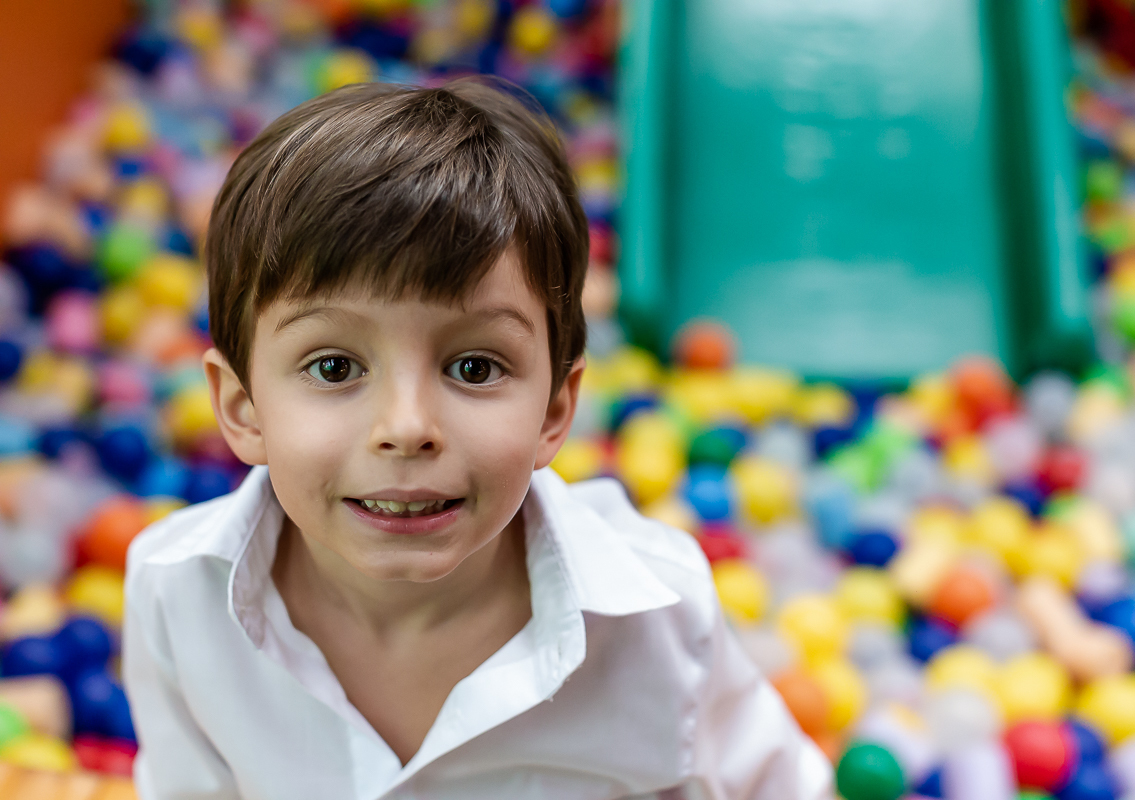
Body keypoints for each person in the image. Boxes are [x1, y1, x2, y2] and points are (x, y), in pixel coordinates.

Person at [122, 78, 834, 800]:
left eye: (474, 366)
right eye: (334, 368)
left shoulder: (659, 620)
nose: (406, 428)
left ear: (555, 410)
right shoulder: (177, 594)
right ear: (242, 406)